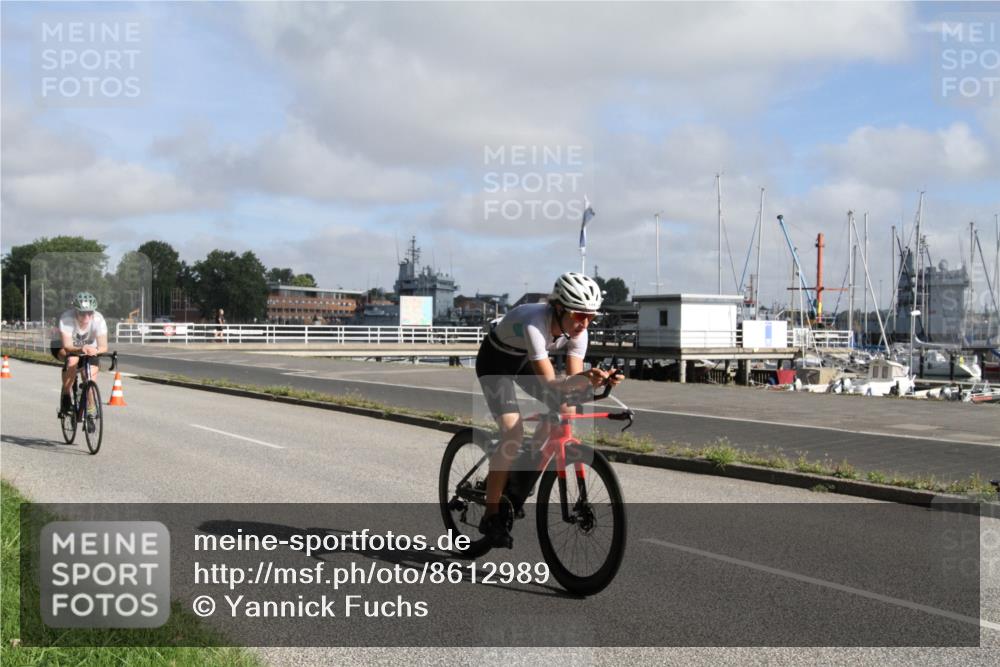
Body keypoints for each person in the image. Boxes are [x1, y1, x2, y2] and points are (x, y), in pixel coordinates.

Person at [475, 272, 621, 548]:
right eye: (579, 316)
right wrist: (583, 379)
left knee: (565, 409)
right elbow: (551, 382)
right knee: (512, 434)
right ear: (558, 308)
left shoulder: (580, 331)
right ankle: (491, 514)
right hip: (496, 364)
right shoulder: (534, 324)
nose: (585, 323)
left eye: (591, 317)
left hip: (523, 361)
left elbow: (572, 386)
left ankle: (519, 479)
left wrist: (598, 380)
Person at [52, 292, 108, 416]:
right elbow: (67, 346)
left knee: (88, 376)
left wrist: (96, 351)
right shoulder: (67, 318)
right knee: (72, 360)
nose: (87, 316)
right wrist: (81, 348)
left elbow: (104, 346)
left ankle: (91, 407)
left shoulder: (98, 319)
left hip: (89, 349)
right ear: (75, 311)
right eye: (82, 313)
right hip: (64, 346)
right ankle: (66, 395)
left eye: (90, 313)